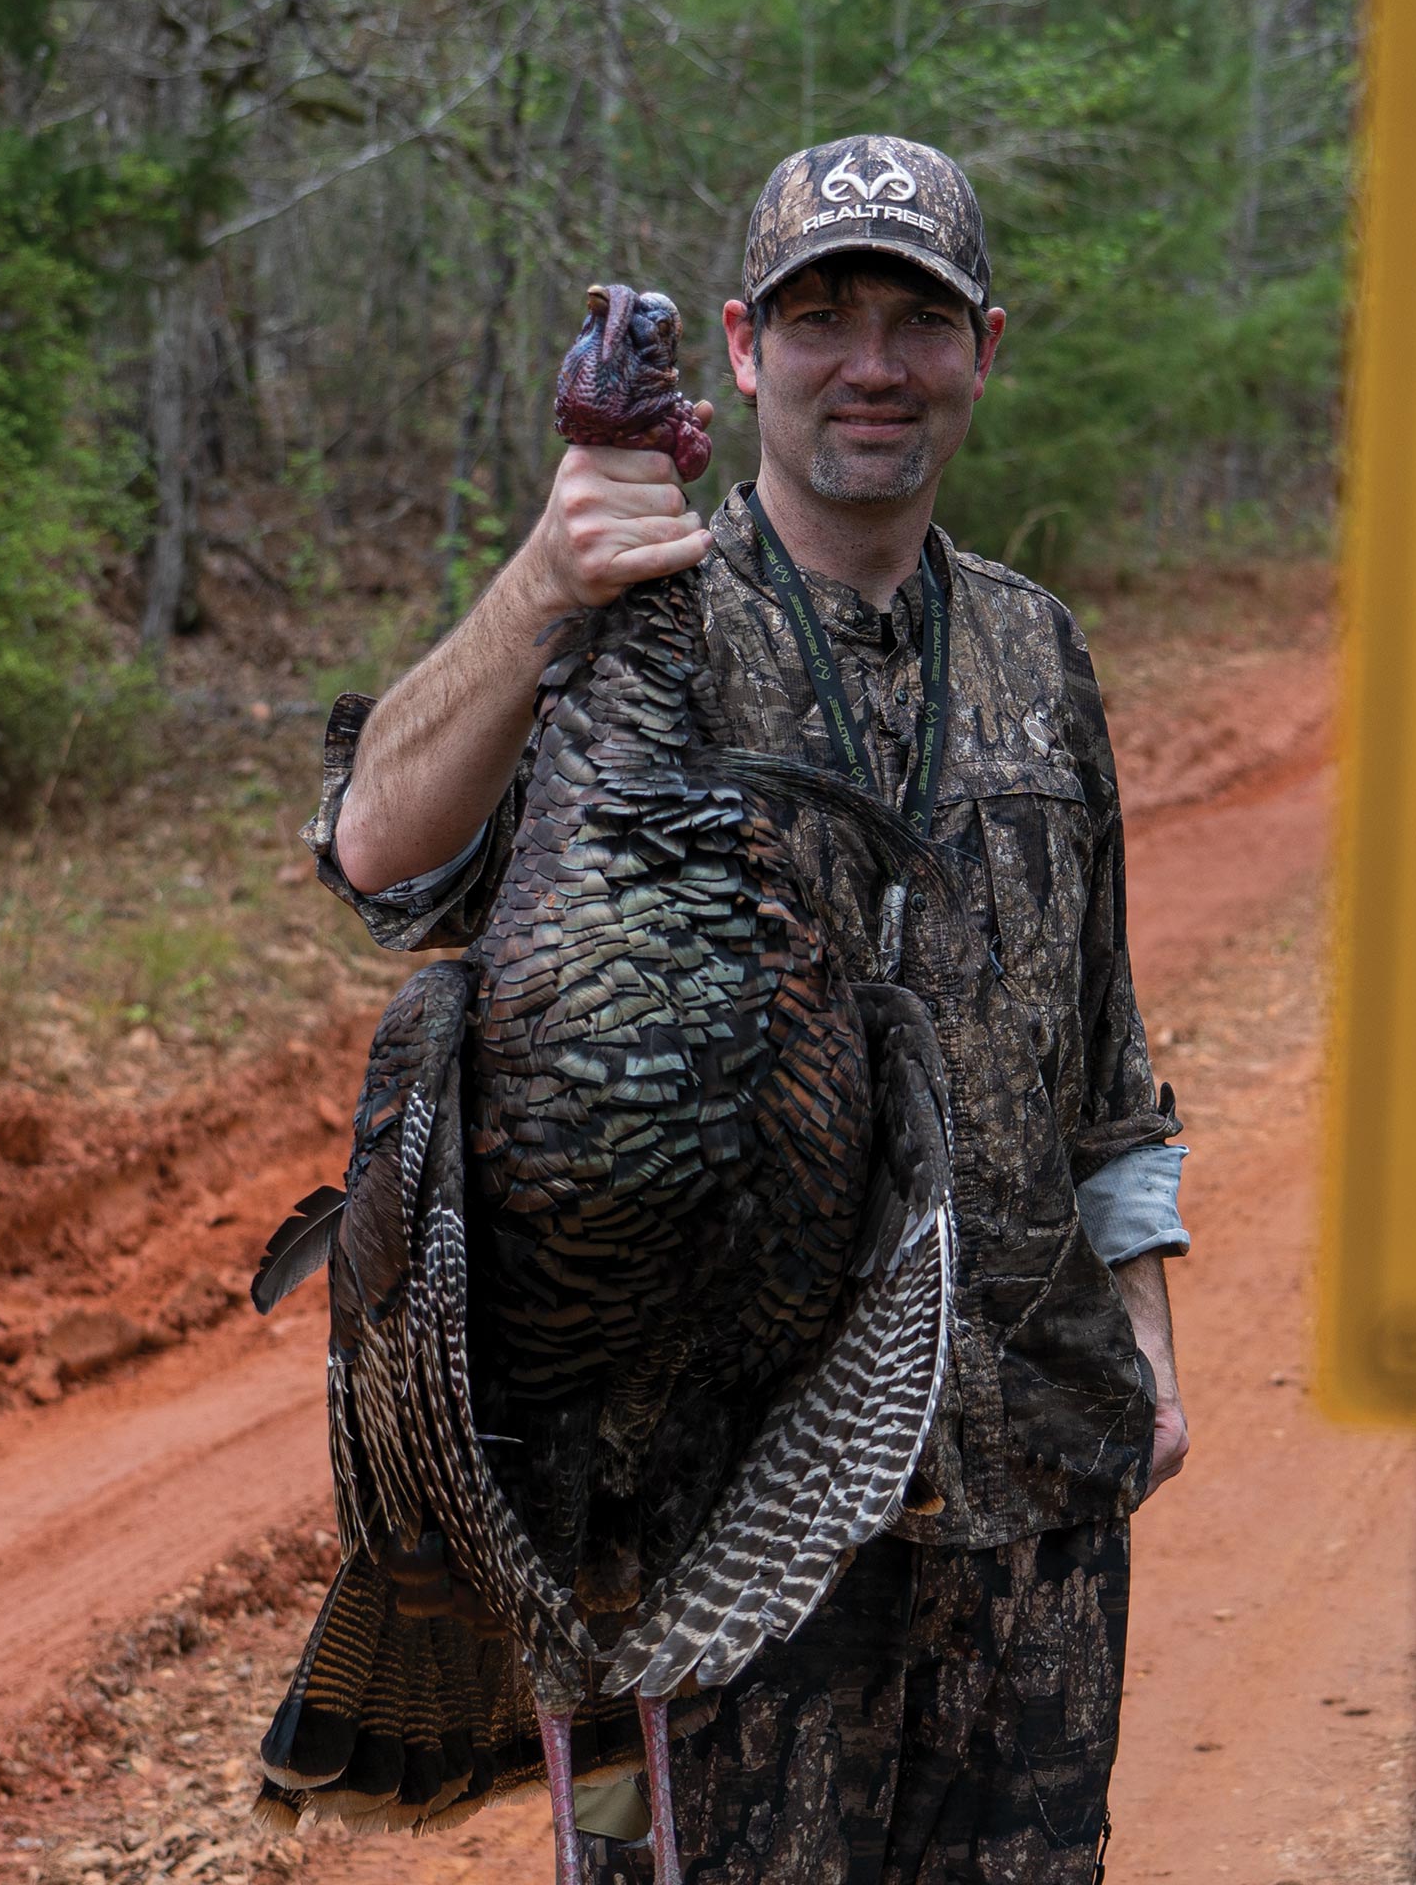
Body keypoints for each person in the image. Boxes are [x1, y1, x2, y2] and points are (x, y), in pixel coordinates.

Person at [302, 133, 1189, 1884]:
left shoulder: (1036, 650)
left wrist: (1151, 1341)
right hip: (712, 1547)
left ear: (982, 350)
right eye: (823, 316)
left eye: (916, 320)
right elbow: (374, 855)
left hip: (1032, 1491)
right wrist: (544, 581)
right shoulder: (625, 624)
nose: (872, 363)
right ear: (740, 346)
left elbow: (1107, 1057)